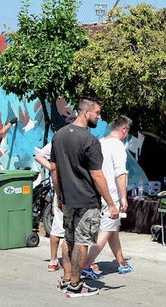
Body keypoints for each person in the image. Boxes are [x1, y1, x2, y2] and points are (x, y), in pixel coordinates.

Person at [49, 98, 119, 296]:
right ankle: (75, 285)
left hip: (68, 199)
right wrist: (111, 204)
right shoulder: (90, 141)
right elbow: (97, 175)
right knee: (81, 241)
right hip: (87, 199)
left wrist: (59, 196)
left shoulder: (59, 136)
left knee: (68, 239)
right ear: (86, 113)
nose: (99, 117)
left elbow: (54, 170)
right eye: (97, 113)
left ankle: (66, 280)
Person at [81, 115, 133, 278]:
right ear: (124, 129)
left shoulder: (100, 142)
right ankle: (86, 265)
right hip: (111, 194)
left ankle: (121, 263)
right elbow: (120, 173)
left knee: (112, 229)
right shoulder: (118, 146)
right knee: (106, 230)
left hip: (98, 192)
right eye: (127, 131)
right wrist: (123, 197)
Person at [33, 140, 65, 271]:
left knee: (57, 226)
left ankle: (53, 260)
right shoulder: (77, 140)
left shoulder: (57, 140)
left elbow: (39, 156)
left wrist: (52, 167)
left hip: (59, 190)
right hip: (70, 190)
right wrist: (53, 168)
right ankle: (82, 262)